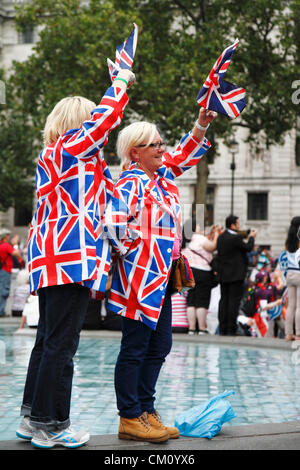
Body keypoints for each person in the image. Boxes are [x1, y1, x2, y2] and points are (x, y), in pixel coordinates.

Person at [16, 68, 135, 449]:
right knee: (62, 345)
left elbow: (107, 206)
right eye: (91, 121)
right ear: (80, 124)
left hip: (50, 259)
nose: (101, 132)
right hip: (72, 259)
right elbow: (107, 116)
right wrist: (121, 80)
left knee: (47, 342)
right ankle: (52, 424)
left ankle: (31, 416)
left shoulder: (57, 157)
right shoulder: (73, 148)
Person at [104, 107, 217, 442]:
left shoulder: (163, 178)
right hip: (140, 279)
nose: (161, 148)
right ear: (134, 152)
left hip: (163, 279)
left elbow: (184, 153)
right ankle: (130, 416)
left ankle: (146, 410)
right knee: (135, 347)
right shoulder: (128, 182)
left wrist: (201, 123)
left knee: (161, 344)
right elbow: (112, 226)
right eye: (154, 144)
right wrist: (133, 253)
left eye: (161, 142)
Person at [217, 215, 257, 335]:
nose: (239, 226)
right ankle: (231, 328)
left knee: (223, 300)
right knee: (233, 302)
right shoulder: (235, 239)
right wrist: (251, 237)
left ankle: (223, 327)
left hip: (223, 275)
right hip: (235, 275)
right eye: (238, 224)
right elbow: (248, 248)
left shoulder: (221, 237)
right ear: (233, 225)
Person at [182, 224, 222, 334]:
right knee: (201, 301)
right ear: (194, 228)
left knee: (191, 300)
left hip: (189, 272)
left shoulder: (185, 240)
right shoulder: (199, 238)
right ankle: (202, 328)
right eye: (199, 226)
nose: (201, 227)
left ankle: (192, 328)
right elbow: (212, 247)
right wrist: (217, 234)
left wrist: (211, 234)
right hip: (202, 272)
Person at [278, 216, 300, 341]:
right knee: (299, 306)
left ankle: (288, 334)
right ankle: (298, 334)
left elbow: (284, 257)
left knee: (290, 306)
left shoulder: (288, 240)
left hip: (290, 274)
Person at [0, 228, 21, 317]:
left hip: (2, 270)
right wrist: (15, 244)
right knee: (4, 291)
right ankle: (1, 311)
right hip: (5, 270)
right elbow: (16, 253)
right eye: (8, 235)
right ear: (5, 237)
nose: (9, 237)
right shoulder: (5, 245)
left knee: (2, 290)